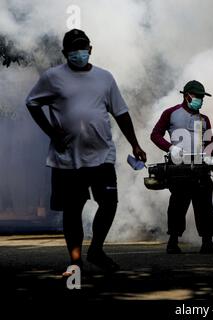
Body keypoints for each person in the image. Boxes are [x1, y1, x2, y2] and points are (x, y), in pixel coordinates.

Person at [25, 29, 147, 273]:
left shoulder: (105, 78)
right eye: (73, 48)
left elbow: (120, 113)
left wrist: (135, 143)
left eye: (82, 47)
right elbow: (32, 103)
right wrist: (51, 132)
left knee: (109, 202)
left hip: (102, 155)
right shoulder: (52, 77)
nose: (78, 52)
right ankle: (75, 260)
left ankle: (97, 249)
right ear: (65, 52)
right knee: (72, 211)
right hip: (68, 159)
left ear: (90, 50)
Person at [151, 80, 213, 254]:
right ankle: (173, 242)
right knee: (178, 204)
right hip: (179, 168)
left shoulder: (204, 119)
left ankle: (207, 243)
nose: (200, 100)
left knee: (206, 205)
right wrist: (170, 147)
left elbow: (209, 142)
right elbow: (155, 135)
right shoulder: (171, 113)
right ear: (187, 96)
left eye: (202, 97)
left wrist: (210, 155)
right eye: (198, 96)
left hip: (200, 168)